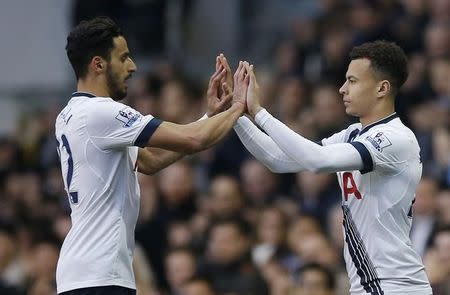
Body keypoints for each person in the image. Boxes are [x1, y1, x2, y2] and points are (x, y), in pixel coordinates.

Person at [220, 40, 433, 294]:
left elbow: (318, 161)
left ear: (382, 88)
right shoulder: (354, 133)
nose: (342, 89)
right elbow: (277, 160)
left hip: (397, 286)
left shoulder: (395, 138)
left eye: (352, 81)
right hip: (371, 286)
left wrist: (259, 111)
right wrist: (235, 114)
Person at [55, 16, 249, 295]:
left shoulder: (71, 115)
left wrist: (211, 115)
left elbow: (151, 161)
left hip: (83, 273)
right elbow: (194, 139)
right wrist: (239, 104)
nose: (132, 67)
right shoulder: (101, 112)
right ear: (98, 64)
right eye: (123, 58)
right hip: (100, 275)